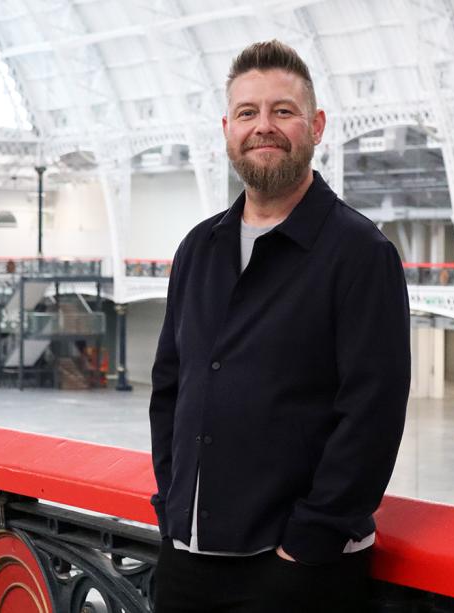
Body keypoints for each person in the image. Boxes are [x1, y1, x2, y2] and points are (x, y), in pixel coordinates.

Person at [148, 40, 411, 612]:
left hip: (296, 574)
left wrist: (308, 541)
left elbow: (373, 412)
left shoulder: (361, 254)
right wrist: (171, 505)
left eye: (282, 111)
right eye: (248, 113)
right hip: (187, 564)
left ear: (315, 125)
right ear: (227, 129)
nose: (263, 126)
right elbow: (171, 389)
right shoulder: (198, 249)